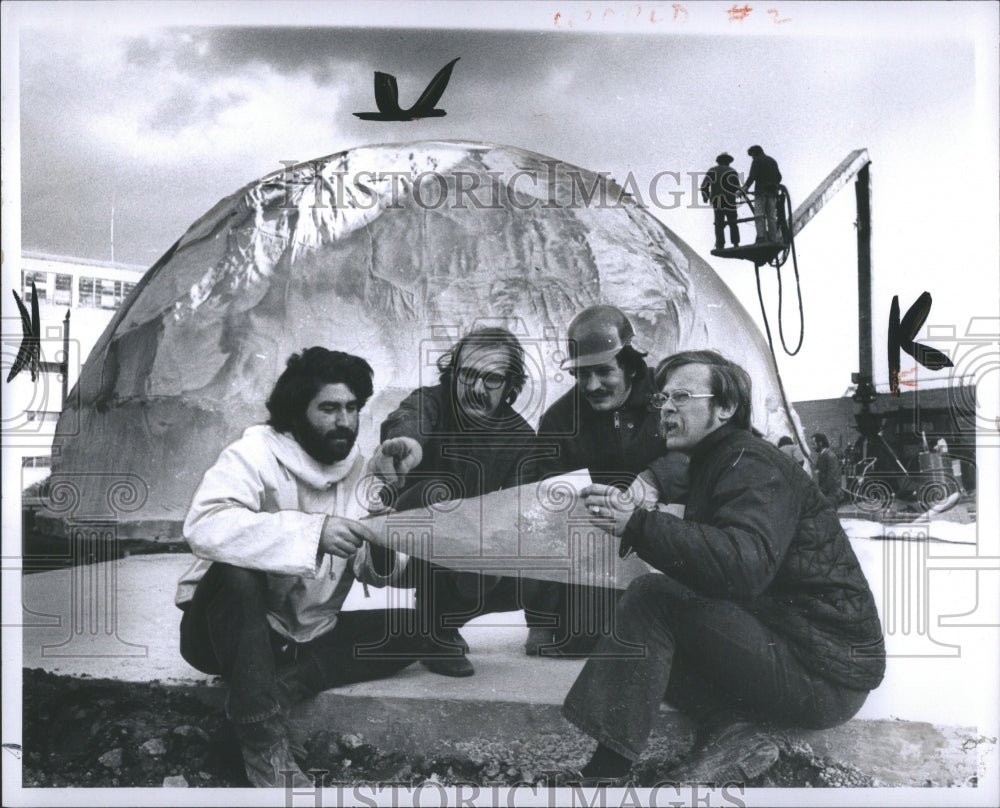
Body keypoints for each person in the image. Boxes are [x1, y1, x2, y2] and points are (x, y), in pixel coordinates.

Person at [563, 350, 885, 785]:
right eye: (662, 399)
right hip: (805, 654)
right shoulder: (723, 461)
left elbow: (745, 566)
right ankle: (733, 733)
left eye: (682, 395)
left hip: (823, 674)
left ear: (726, 408)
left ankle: (604, 773)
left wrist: (639, 526)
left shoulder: (749, 463)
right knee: (645, 622)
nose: (667, 408)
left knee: (649, 598)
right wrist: (639, 518)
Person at [175, 348, 438, 787]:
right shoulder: (254, 452)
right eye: (329, 408)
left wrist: (384, 522)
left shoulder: (359, 471)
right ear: (298, 411)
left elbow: (375, 569)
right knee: (236, 573)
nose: (345, 421)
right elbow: (203, 525)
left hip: (305, 635)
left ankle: (279, 690)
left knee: (415, 629)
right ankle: (262, 738)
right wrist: (313, 533)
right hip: (225, 633)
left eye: (352, 407)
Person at [523, 305, 688, 657]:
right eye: (582, 375)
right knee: (588, 635)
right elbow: (543, 508)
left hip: (668, 535)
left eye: (603, 372)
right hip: (600, 549)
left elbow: (712, 448)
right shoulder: (559, 420)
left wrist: (653, 481)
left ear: (629, 364)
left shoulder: (670, 396)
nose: (592, 385)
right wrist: (540, 618)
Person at [376, 327, 541, 677]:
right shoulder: (430, 401)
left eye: (492, 379)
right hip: (402, 544)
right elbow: (409, 421)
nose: (477, 389)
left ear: (511, 385)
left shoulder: (522, 438)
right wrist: (409, 446)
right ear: (454, 373)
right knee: (440, 492)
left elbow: (517, 507)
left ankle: (438, 621)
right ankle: (436, 631)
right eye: (467, 375)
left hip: (468, 547)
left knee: (521, 559)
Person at [741, 145, 783, 243]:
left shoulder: (757, 160)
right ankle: (773, 238)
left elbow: (752, 176)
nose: (752, 158)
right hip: (772, 192)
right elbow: (779, 177)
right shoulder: (772, 161)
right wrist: (774, 184)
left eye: (752, 155)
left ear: (755, 153)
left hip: (761, 192)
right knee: (772, 216)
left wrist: (745, 188)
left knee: (759, 215)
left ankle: (761, 237)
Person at [700, 152, 742, 250]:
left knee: (719, 223)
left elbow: (704, 186)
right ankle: (735, 243)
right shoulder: (732, 171)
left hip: (717, 200)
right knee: (733, 222)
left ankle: (720, 245)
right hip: (730, 200)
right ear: (728, 162)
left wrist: (705, 197)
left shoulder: (712, 171)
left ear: (719, 161)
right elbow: (737, 188)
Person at [811, 432, 843, 508]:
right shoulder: (822, 455)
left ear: (820, 443)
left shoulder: (830, 456)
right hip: (825, 494)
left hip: (831, 494)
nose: (812, 447)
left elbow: (833, 476)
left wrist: (823, 490)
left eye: (813, 443)